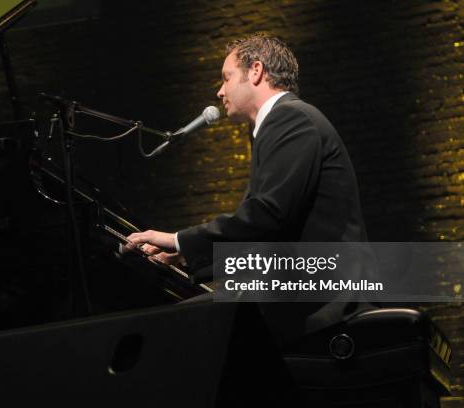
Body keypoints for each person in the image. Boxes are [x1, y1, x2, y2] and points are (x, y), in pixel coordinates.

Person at [124, 32, 371, 343]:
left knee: (170, 333)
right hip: (301, 296)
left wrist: (178, 240)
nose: (219, 91)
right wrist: (188, 257)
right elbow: (269, 235)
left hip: (320, 304)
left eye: (226, 78)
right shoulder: (280, 123)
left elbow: (267, 217)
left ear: (256, 71)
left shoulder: (291, 118)